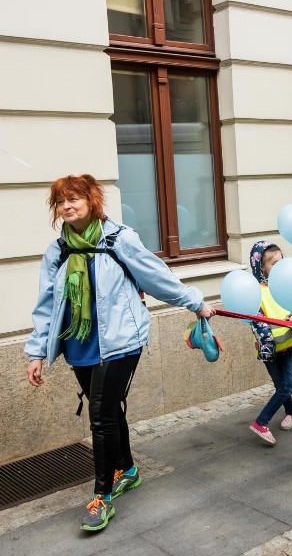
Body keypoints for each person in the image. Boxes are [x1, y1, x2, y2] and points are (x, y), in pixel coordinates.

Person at [25, 174, 215, 531]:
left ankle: (103, 496)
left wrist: (196, 303)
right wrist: (36, 353)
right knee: (108, 410)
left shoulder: (119, 239)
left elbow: (156, 277)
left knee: (99, 415)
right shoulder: (58, 251)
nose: (67, 206)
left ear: (92, 200)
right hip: (79, 344)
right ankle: (127, 468)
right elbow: (47, 305)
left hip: (120, 341)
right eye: (61, 201)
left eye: (75, 198)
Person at [246, 241, 292, 445]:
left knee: (290, 383)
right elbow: (256, 320)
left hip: (289, 344)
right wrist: (266, 344)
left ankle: (262, 421)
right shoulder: (254, 291)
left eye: (281, 262)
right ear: (261, 267)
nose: (279, 268)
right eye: (273, 264)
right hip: (268, 348)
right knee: (281, 385)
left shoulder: (288, 284)